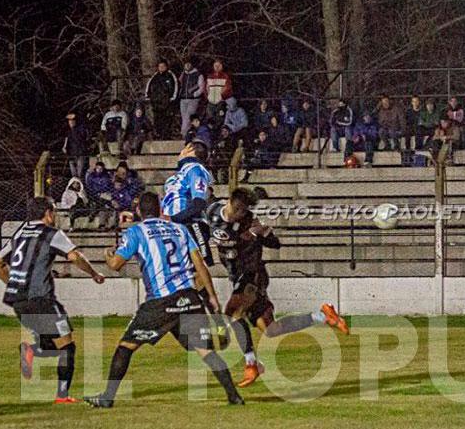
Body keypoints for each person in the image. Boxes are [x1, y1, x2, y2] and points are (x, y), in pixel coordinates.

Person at [84, 192, 243, 408]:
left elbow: (115, 265)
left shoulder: (136, 231)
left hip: (161, 300)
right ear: (160, 209)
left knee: (125, 346)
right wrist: (212, 297)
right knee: (205, 350)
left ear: (139, 211)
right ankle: (234, 396)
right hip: (189, 296)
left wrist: (108, 254)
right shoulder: (180, 229)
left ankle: (107, 397)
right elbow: (200, 265)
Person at [205, 188, 349, 388]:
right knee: (272, 329)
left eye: (244, 211)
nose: (241, 214)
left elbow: (275, 244)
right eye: (238, 210)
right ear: (229, 202)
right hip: (236, 276)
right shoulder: (212, 211)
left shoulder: (250, 222)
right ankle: (324, 316)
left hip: (253, 275)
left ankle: (251, 364)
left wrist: (261, 233)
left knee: (232, 311)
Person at [0, 197, 104, 404]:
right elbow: (75, 256)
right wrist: (94, 274)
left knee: (52, 343)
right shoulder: (52, 234)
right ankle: (62, 395)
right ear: (48, 213)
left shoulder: (19, 234)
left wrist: (13, 283)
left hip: (18, 302)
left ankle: (31, 350)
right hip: (41, 300)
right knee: (67, 347)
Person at [161, 141, 215, 266]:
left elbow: (198, 203)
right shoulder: (178, 175)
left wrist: (173, 218)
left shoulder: (195, 169)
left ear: (190, 149)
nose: (180, 152)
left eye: (183, 149)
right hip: (172, 227)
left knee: (198, 268)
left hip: (190, 225)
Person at [144, 60, 179, 139]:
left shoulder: (170, 75)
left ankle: (166, 136)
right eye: (160, 66)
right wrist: (148, 96)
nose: (161, 68)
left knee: (167, 120)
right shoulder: (155, 76)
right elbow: (149, 86)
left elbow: (175, 86)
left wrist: (172, 98)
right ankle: (158, 135)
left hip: (166, 102)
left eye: (163, 66)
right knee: (157, 120)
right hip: (156, 102)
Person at [178, 58, 205, 139]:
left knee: (188, 116)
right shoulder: (183, 75)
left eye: (189, 64)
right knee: (184, 117)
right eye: (186, 64)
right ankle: (188, 135)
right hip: (183, 98)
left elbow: (201, 86)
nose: (187, 66)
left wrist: (195, 94)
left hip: (193, 99)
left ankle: (183, 134)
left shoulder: (198, 74)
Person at [205, 59, 233, 126]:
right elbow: (206, 87)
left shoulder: (225, 76)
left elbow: (228, 87)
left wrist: (221, 96)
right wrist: (208, 97)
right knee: (209, 119)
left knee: (220, 118)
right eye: (215, 65)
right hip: (211, 102)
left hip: (221, 101)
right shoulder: (210, 76)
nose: (217, 67)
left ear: (222, 66)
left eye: (219, 65)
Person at [62, 113, 89, 179]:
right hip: (71, 153)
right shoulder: (68, 131)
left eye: (72, 121)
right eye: (69, 121)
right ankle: (74, 184)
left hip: (80, 152)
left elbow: (83, 136)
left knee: (79, 171)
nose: (70, 123)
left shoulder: (80, 129)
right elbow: (67, 138)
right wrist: (64, 147)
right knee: (73, 172)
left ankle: (79, 185)